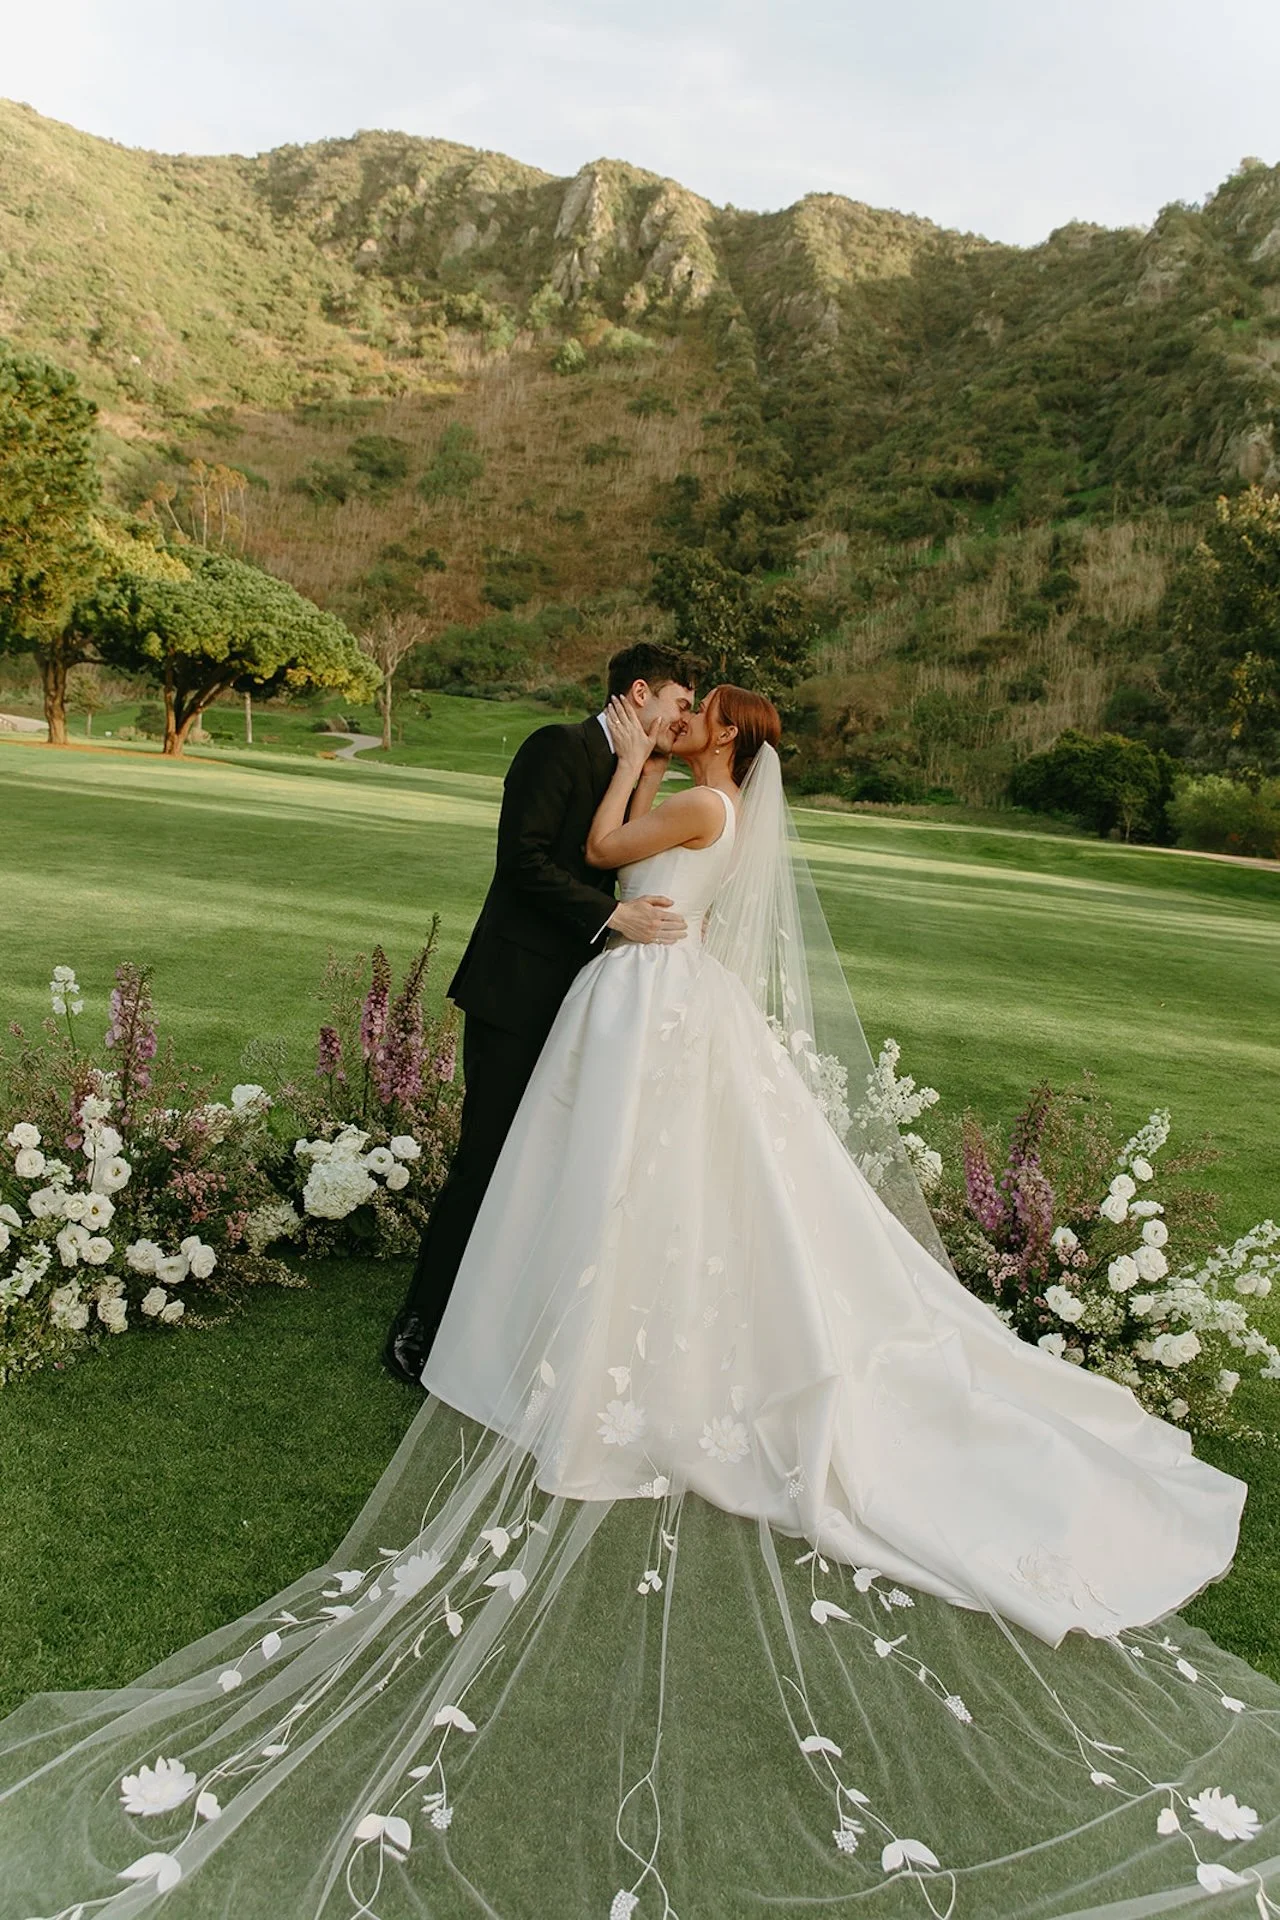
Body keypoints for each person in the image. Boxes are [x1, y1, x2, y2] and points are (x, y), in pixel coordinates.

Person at [2, 690, 1276, 1920]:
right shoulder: (711, 802)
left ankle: (604, 1339)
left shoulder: (696, 806)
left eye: (698, 714)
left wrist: (630, 766)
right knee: (629, 1184)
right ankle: (576, 1321)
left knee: (631, 1182)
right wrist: (647, 778)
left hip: (647, 1004)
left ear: (724, 736)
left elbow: (610, 849)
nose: (683, 723)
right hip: (654, 999)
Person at [382, 642, 699, 1387]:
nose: (685, 717)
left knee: (540, 1164)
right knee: (486, 1158)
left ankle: (495, 1318)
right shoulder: (557, 747)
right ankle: (419, 1322)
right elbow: (521, 863)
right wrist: (613, 919)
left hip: (588, 1004)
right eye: (682, 702)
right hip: (516, 989)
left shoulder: (637, 769)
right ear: (644, 691)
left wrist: (648, 770)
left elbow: (626, 853)